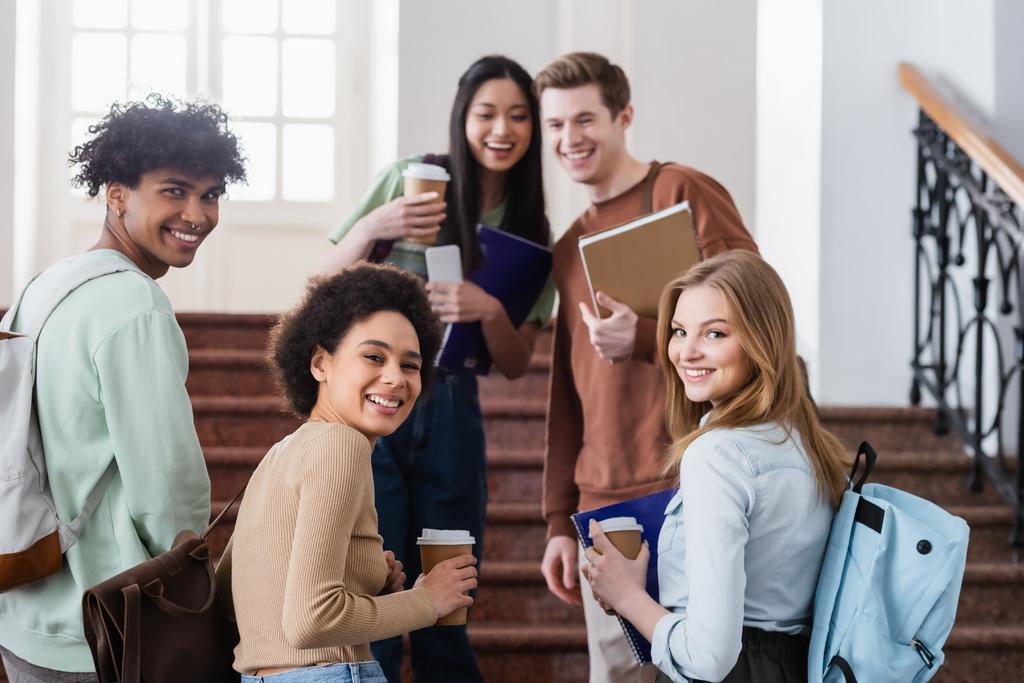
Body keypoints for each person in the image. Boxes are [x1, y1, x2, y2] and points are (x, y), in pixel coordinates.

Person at [316, 55, 554, 682]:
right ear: (463, 118)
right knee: (379, 585)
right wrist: (377, 223)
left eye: (518, 116)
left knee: (451, 597)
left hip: (452, 405)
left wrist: (489, 310)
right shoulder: (411, 178)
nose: (501, 129)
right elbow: (322, 286)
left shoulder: (531, 227)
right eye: (486, 113)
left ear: (533, 128)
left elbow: (517, 361)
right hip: (379, 400)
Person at [0, 95, 246, 681]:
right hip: (106, 623)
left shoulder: (47, 284)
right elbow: (165, 482)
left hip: (25, 604)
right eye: (175, 190)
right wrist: (194, 586)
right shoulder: (136, 305)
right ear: (117, 195)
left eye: (210, 195)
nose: (197, 214)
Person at [533, 52, 760, 682]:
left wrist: (647, 338)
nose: (569, 139)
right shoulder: (567, 246)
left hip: (697, 484)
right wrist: (558, 519)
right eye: (555, 125)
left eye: (585, 120)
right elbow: (568, 391)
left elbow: (759, 316)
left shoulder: (680, 191)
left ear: (624, 116)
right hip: (608, 506)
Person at [583, 250, 851, 683]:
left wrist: (626, 594)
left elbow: (708, 656)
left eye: (714, 334)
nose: (685, 352)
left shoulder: (718, 455)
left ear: (761, 342)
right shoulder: (811, 447)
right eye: (679, 331)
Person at [218, 263, 478, 682]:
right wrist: (428, 600)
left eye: (410, 365)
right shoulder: (342, 446)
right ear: (321, 363)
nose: (395, 377)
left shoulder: (283, 452)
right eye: (374, 356)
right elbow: (310, 620)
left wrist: (363, 581)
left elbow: (232, 599)